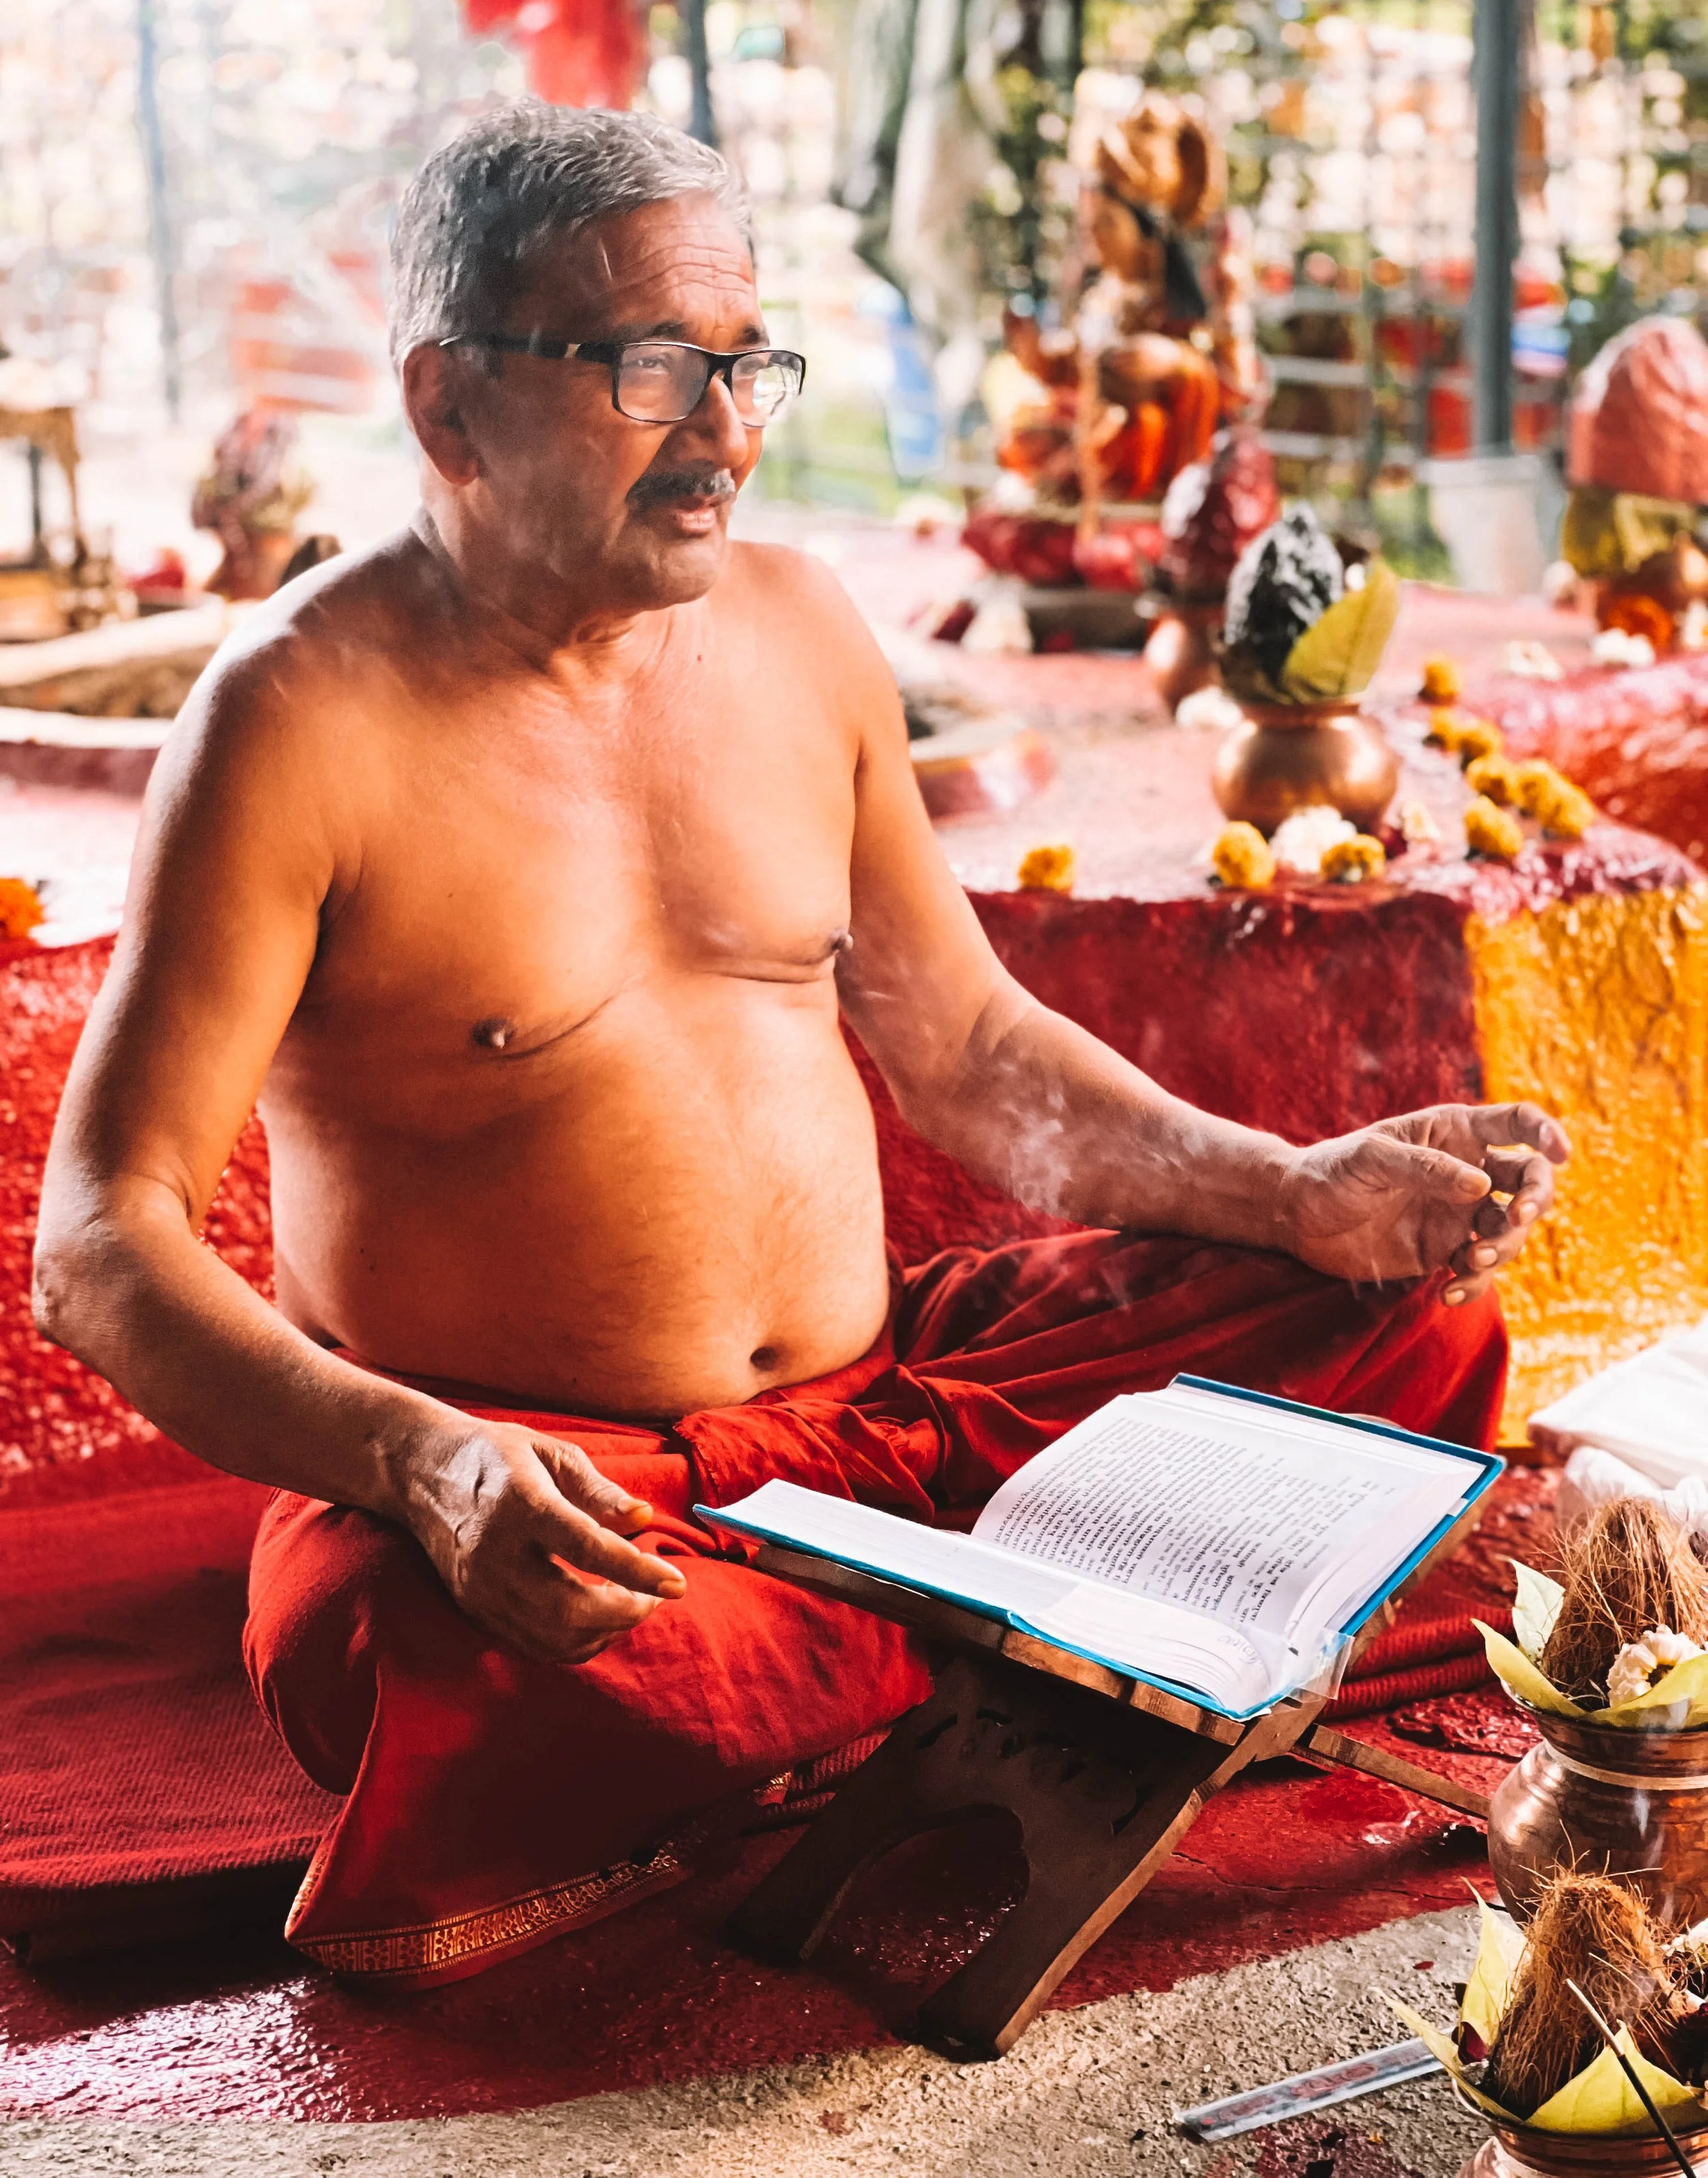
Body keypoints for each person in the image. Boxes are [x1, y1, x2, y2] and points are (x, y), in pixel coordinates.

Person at [33, 105, 1567, 1987]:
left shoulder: (799, 626)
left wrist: (1293, 1188)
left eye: (747, 360)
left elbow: (969, 1044)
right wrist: (423, 1466)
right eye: (651, 364)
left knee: (1403, 1325)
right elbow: (102, 1238)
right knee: (422, 1650)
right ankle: (1073, 1625)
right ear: (446, 405)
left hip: (906, 1411)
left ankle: (928, 1636)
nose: (730, 427)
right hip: (574, 1488)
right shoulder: (292, 720)